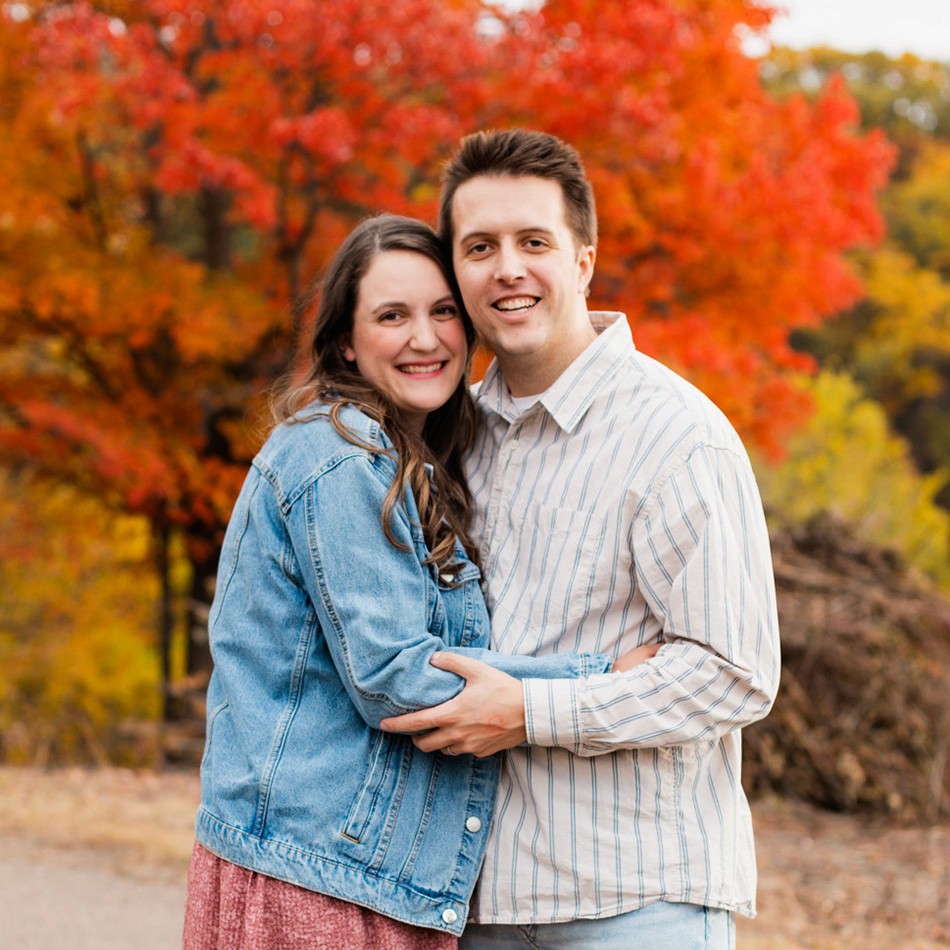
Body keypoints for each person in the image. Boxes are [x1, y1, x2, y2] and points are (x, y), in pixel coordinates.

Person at [182, 214, 632, 949]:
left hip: (362, 876)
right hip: (316, 878)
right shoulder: (338, 453)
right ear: (347, 344)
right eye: (393, 316)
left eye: (443, 311)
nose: (425, 338)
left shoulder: (408, 459)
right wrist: (596, 677)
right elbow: (396, 677)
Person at [381, 130, 782, 948]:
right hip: (478, 901)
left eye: (535, 241)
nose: (508, 268)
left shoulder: (676, 436)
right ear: (455, 274)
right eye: (480, 247)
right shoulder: (448, 443)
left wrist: (533, 710)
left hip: (636, 902)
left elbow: (735, 673)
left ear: (584, 261)